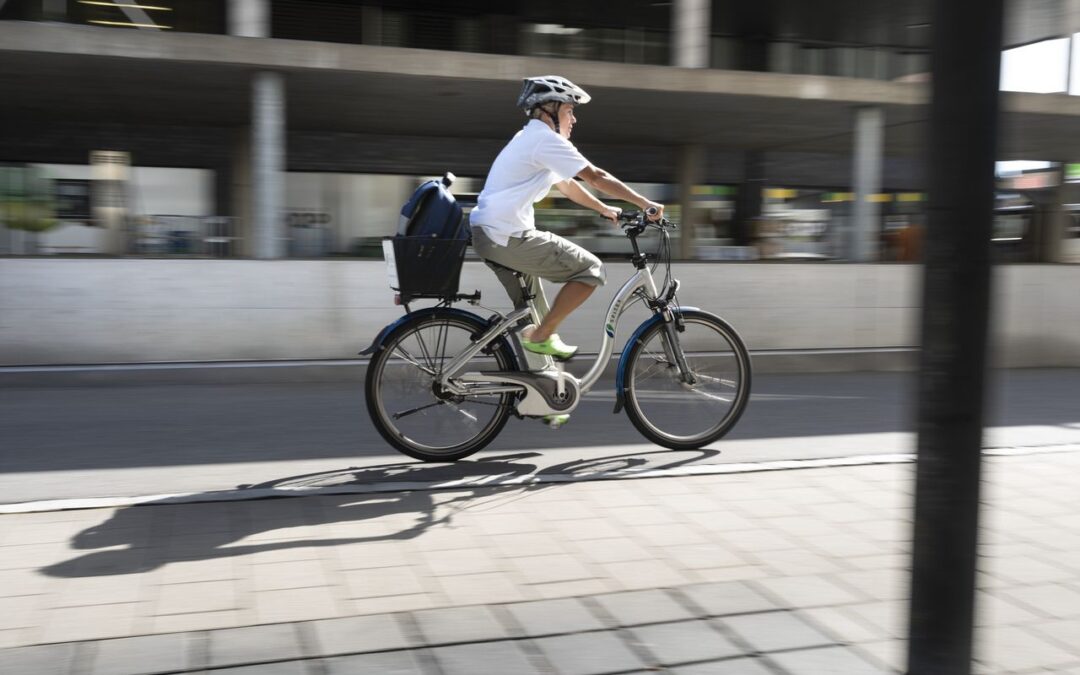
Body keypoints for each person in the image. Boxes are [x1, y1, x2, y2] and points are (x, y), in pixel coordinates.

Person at [470, 76, 664, 367]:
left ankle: (545, 399)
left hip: (490, 235)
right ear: (549, 108)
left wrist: (604, 209)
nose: (573, 119)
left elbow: (568, 185)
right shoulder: (544, 139)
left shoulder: (529, 139)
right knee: (590, 270)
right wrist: (645, 203)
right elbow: (596, 177)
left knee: (532, 318)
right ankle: (541, 339)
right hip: (507, 235)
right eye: (570, 110)